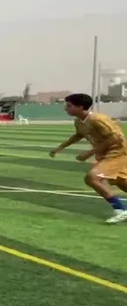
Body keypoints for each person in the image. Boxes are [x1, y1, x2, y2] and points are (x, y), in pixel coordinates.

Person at [49, 93, 127, 224]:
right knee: (122, 182)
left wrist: (89, 153)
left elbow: (116, 138)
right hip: (105, 154)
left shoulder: (98, 119)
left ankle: (120, 209)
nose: (66, 108)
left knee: (92, 177)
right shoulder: (79, 121)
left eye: (69, 106)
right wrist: (60, 148)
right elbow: (78, 135)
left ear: (80, 106)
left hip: (118, 153)